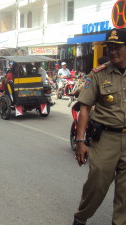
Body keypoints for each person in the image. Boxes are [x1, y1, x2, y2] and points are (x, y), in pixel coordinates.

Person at [73, 28, 126, 225]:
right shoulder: (97, 75)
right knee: (97, 183)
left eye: (118, 47)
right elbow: (85, 108)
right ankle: (81, 217)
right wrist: (80, 141)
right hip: (106, 139)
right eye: (110, 48)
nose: (113, 52)